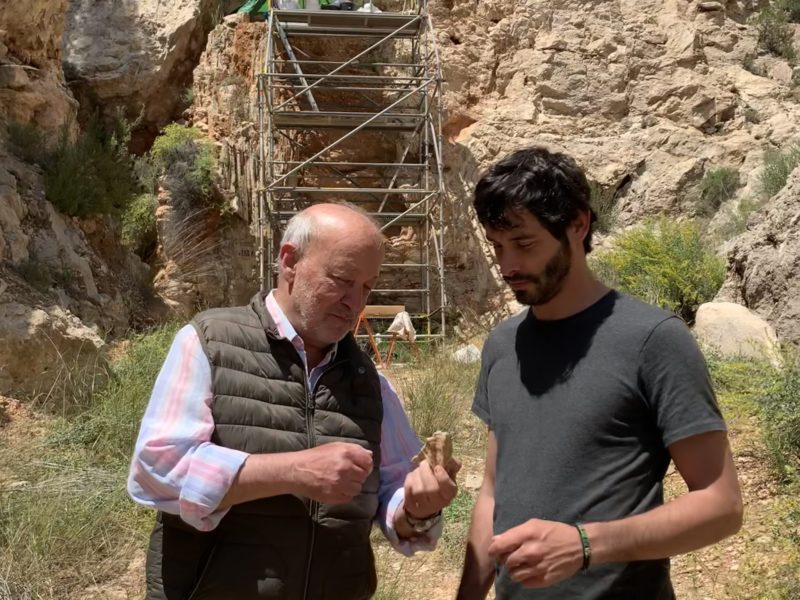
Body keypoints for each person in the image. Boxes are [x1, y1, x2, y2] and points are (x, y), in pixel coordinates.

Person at [128, 203, 460, 600]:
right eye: (341, 280)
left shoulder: (369, 382)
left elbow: (394, 489)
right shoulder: (208, 342)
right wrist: (292, 470)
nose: (355, 303)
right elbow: (158, 469)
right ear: (290, 262)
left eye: (367, 287)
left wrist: (418, 510)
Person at [456, 147, 743, 599]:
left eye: (525, 244)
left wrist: (585, 545)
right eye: (497, 246)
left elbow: (721, 504)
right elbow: (492, 492)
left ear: (577, 224)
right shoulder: (501, 345)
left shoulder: (653, 339)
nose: (507, 266)